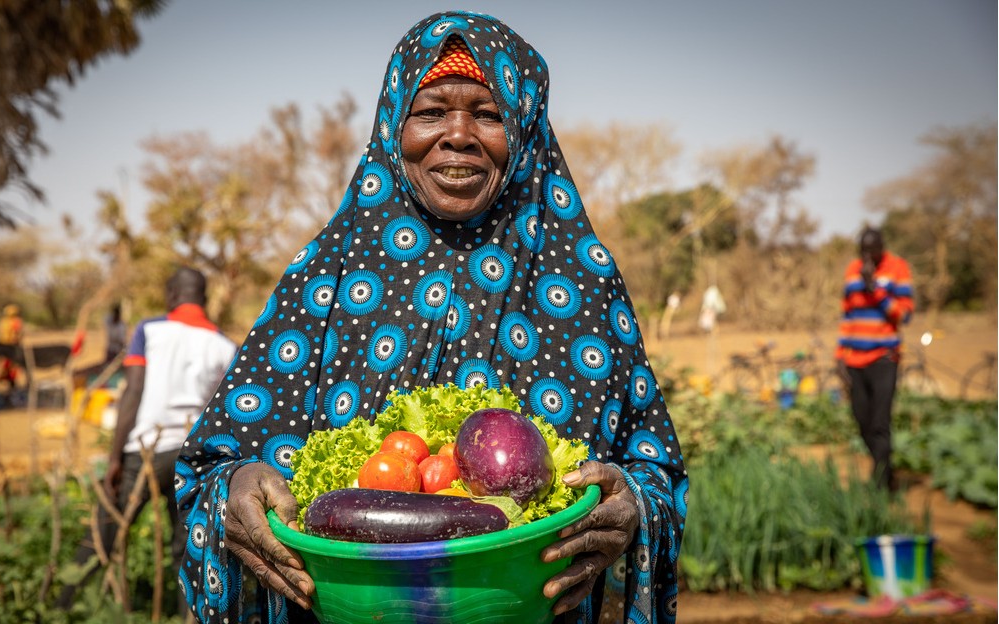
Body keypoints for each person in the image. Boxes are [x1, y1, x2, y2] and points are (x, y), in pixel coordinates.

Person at [176, 12, 687, 624]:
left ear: (525, 129)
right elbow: (211, 467)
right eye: (430, 112)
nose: (459, 135)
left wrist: (633, 509)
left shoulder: (583, 281)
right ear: (394, 126)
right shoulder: (327, 278)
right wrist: (234, 492)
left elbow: (653, 470)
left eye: (490, 114)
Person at [60, 267, 238, 616]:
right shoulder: (224, 345)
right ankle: (187, 615)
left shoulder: (149, 330)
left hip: (144, 451)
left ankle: (59, 608)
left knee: (104, 534)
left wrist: (114, 457)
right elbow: (224, 409)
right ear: (203, 298)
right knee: (185, 550)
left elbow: (134, 390)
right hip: (191, 455)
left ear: (172, 295)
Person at [835, 227, 913, 490]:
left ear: (882, 248)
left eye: (872, 250)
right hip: (855, 360)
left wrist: (874, 289)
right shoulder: (851, 270)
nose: (867, 256)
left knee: (880, 423)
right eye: (862, 250)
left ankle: (881, 486)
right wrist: (839, 356)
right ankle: (887, 475)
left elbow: (903, 315)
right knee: (862, 422)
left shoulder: (897, 268)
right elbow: (848, 316)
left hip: (884, 358)